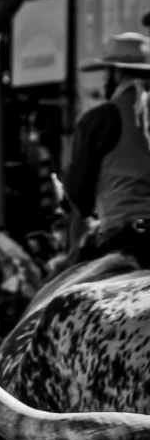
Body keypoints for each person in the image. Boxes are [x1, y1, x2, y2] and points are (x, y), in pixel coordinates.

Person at [65, 32, 150, 266]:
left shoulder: (100, 118)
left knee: (52, 294)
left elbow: (78, 193)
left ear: (117, 73)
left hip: (126, 236)